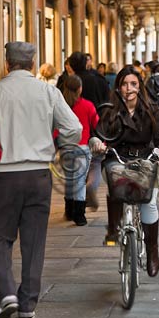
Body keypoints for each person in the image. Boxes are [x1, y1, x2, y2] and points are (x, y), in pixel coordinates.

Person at [0, 42, 82, 318]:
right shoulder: (48, 91)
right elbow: (74, 128)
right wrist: (58, 147)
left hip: (2, 176)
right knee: (33, 241)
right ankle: (28, 306)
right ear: (32, 64)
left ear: (7, 64)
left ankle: (6, 294)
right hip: (38, 175)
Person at [97, 65, 159, 278]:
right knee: (114, 182)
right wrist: (97, 143)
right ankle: (113, 228)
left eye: (133, 84)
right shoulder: (109, 109)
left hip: (145, 159)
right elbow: (101, 133)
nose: (128, 88)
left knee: (148, 203)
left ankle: (152, 252)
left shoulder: (151, 108)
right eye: (124, 84)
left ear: (139, 87)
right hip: (118, 157)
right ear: (118, 87)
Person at [62, 75, 100, 225]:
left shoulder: (62, 105)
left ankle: (69, 210)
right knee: (79, 181)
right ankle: (79, 214)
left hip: (65, 147)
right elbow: (96, 124)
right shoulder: (87, 105)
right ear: (80, 89)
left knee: (69, 180)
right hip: (82, 147)